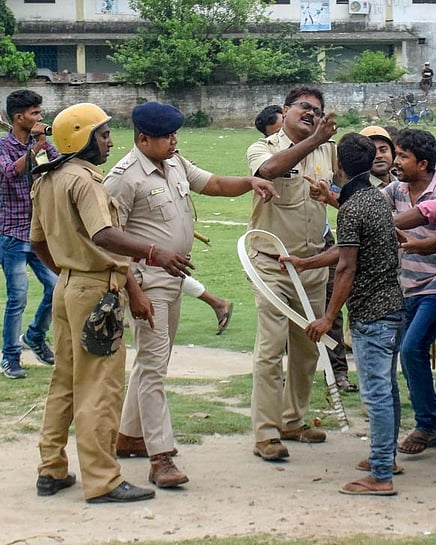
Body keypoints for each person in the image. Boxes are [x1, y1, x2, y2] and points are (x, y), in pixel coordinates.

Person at [105, 102, 277, 488]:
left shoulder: (175, 163)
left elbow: (213, 184)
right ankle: (160, 457)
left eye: (174, 134)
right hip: (146, 281)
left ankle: (130, 436)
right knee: (153, 367)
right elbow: (110, 243)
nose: (173, 141)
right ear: (142, 138)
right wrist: (133, 290)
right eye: (166, 136)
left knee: (154, 360)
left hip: (173, 278)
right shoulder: (122, 179)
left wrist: (249, 182)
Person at [31, 102, 188, 503]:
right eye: (102, 135)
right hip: (95, 290)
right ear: (81, 138)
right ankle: (103, 479)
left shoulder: (46, 179)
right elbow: (104, 235)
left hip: (67, 286)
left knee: (64, 381)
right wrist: (155, 253)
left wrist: (69, 270)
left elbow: (37, 243)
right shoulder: (85, 180)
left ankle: (51, 468)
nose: (109, 142)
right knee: (100, 388)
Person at [292, 133, 405, 496]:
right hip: (390, 308)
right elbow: (347, 249)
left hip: (373, 315)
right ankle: (384, 459)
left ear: (339, 166)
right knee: (385, 389)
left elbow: (345, 267)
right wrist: (306, 261)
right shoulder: (372, 198)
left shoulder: (356, 207)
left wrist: (328, 318)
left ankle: (382, 474)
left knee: (376, 394)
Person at [245, 86, 338, 461]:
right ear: (284, 111)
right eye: (304, 107)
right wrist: (315, 139)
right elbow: (268, 171)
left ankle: (293, 419)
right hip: (272, 264)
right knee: (270, 348)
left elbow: (343, 187)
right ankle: (266, 433)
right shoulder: (263, 147)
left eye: (318, 110)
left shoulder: (327, 150)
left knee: (307, 350)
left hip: (312, 264)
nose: (312, 114)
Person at [384, 129, 436, 456]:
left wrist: (423, 246)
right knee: (412, 354)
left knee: (411, 349)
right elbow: (372, 211)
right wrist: (331, 196)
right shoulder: (396, 190)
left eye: (403, 157)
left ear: (423, 163)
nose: (396, 162)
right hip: (407, 286)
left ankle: (426, 423)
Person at [0, 90, 59, 379]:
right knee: (17, 298)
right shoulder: (3, 146)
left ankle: (35, 335)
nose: (39, 118)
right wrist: (35, 148)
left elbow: (59, 164)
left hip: (39, 235)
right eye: (34, 113)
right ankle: (10, 358)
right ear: (18, 117)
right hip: (11, 235)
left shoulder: (42, 143)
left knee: (57, 286)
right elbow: (10, 173)